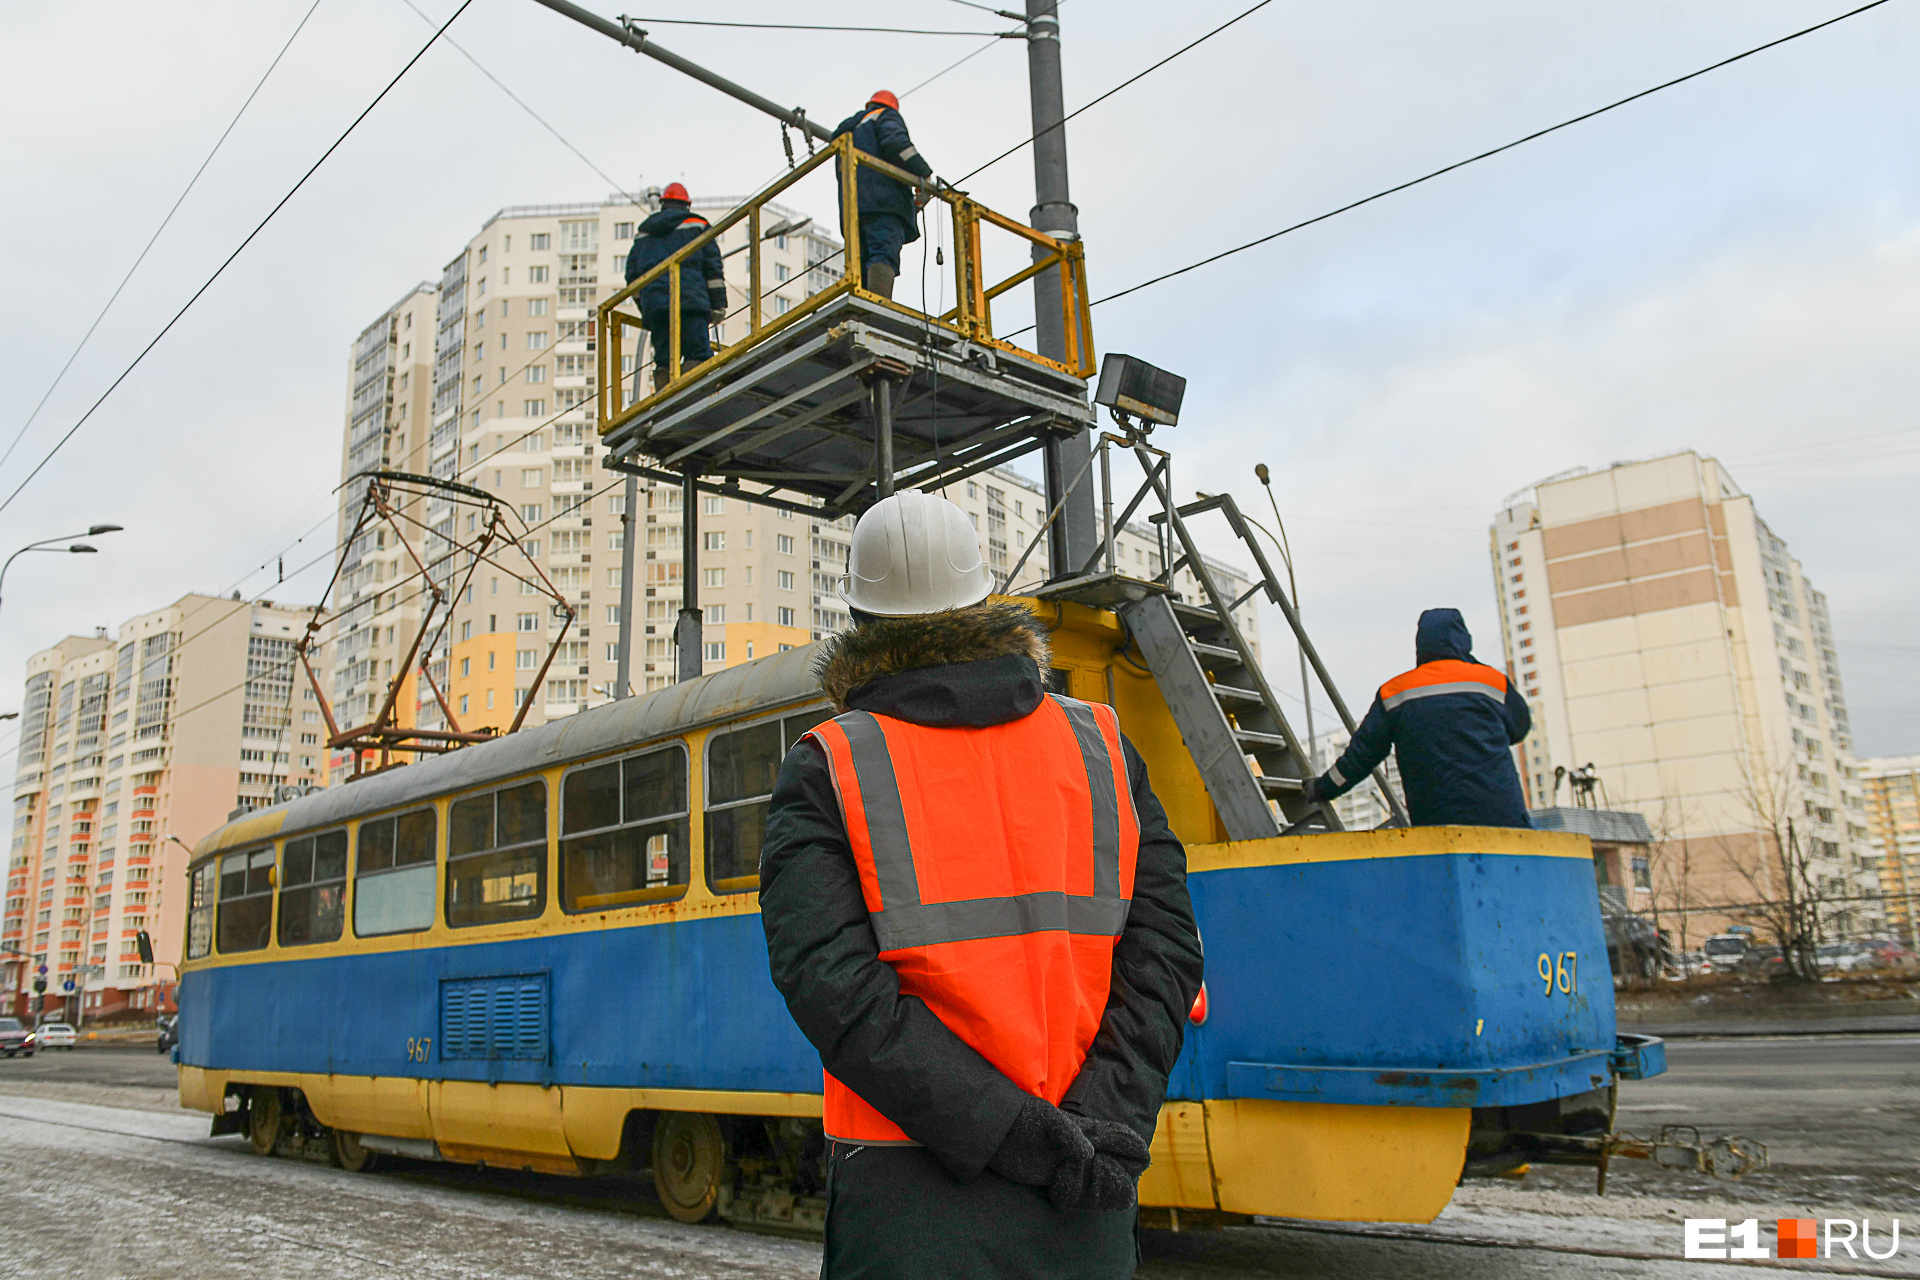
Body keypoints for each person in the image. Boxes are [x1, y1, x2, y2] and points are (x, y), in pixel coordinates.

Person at [759, 490, 1204, 1279]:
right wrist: (1099, 1123)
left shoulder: (832, 763)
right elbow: (1167, 949)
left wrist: (1003, 1132)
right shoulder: (1101, 744)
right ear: (985, 603)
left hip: (909, 1191)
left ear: (861, 620)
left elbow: (831, 984)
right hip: (1088, 1179)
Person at [1305, 607, 1533, 827]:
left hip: (1436, 823)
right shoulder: (1492, 681)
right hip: (1503, 818)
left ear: (1420, 644)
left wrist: (1323, 788)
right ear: (1465, 639)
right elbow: (1520, 728)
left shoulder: (1395, 692)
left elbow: (1360, 757)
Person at [831, 89, 935, 301]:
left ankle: (861, 308)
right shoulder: (886, 115)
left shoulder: (848, 133)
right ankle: (878, 308)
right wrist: (923, 173)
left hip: (854, 210)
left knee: (859, 261)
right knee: (882, 253)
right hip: (885, 205)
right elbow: (897, 144)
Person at [623, 182, 726, 389]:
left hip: (658, 308)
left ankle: (665, 399)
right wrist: (718, 305)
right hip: (691, 302)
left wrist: (646, 308)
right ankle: (694, 394)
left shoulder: (644, 234)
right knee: (698, 353)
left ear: (663, 204)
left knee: (664, 360)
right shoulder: (697, 225)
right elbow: (712, 269)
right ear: (687, 204)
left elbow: (632, 277)